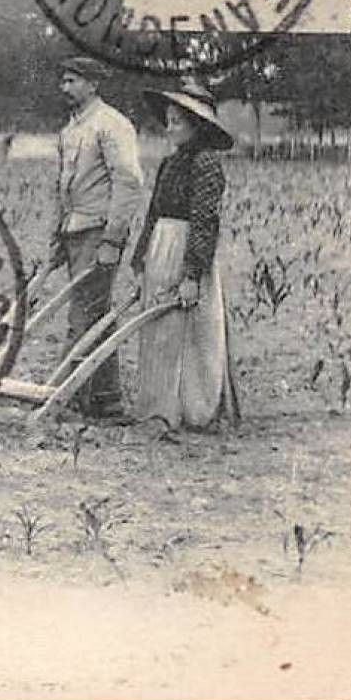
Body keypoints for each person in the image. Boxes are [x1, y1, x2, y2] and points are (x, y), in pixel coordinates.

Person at [129, 81, 240, 431]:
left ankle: (195, 410)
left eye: (178, 121)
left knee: (191, 331)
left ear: (197, 125)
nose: (170, 127)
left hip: (187, 248)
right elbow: (153, 211)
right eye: (169, 120)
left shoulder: (206, 164)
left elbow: (205, 221)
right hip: (162, 248)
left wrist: (192, 275)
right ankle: (159, 406)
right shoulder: (170, 162)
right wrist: (141, 255)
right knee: (160, 330)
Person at [52, 56, 144, 421]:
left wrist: (113, 239)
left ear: (93, 84)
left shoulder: (112, 125)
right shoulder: (70, 130)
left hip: (98, 231)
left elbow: (129, 182)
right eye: (64, 81)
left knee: (83, 315)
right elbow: (63, 187)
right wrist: (56, 240)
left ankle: (66, 397)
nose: (65, 88)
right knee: (96, 314)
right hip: (74, 231)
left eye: (72, 81)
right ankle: (106, 400)